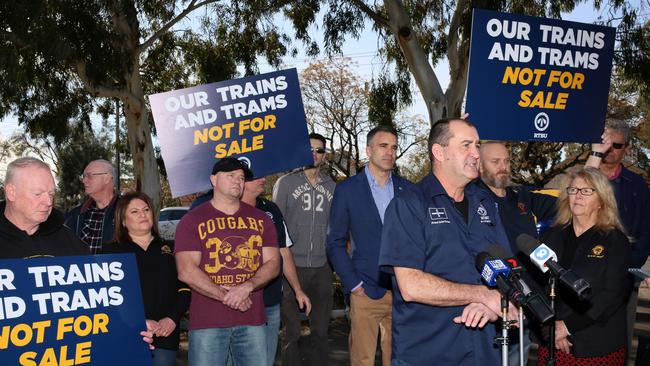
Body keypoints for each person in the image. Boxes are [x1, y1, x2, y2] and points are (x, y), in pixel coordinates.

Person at [378, 118, 517, 366]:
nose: (476, 153)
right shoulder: (409, 204)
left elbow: (507, 268)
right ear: (439, 152)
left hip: (485, 353)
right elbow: (411, 286)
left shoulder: (486, 204)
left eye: (477, 144)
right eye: (466, 145)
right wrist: (482, 295)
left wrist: (495, 303)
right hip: (429, 353)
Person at [0, 157, 154, 346]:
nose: (48, 202)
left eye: (51, 193)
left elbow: (98, 303)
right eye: (38, 193)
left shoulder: (72, 243)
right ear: (11, 192)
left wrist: (131, 331)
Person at [175, 157, 281, 366]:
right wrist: (229, 295)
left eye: (241, 177)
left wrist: (247, 286)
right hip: (208, 322)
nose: (237, 181)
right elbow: (186, 271)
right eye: (230, 176)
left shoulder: (261, 219)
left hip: (252, 319)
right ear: (213, 180)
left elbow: (273, 264)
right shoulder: (193, 219)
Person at [326, 126, 413, 366]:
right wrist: (354, 284)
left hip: (403, 291)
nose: (390, 152)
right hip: (365, 290)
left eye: (394, 147)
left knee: (398, 360)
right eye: (383, 146)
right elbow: (334, 242)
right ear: (368, 150)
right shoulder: (347, 190)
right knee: (362, 360)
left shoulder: (409, 190)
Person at [536, 167, 632, 365]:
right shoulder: (551, 235)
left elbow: (611, 295)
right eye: (573, 190)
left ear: (601, 201)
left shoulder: (615, 241)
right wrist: (552, 327)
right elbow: (536, 285)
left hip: (596, 345)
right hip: (553, 340)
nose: (577, 196)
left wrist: (567, 327)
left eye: (586, 191)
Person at [478, 141, 557, 364]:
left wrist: (596, 155)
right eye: (495, 162)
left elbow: (579, 199)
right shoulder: (470, 198)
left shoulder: (522, 195)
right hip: (487, 303)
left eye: (506, 161)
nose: (503, 167)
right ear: (479, 166)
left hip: (524, 304)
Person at [585, 119, 650, 365]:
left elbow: (646, 230)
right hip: (584, 272)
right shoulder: (584, 178)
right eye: (606, 145)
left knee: (617, 334)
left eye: (617, 146)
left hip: (624, 276)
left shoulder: (637, 186)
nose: (610, 151)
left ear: (627, 148)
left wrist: (628, 267)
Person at [102, 192, 191, 366]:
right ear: (123, 220)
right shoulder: (110, 252)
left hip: (164, 334)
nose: (143, 214)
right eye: (134, 211)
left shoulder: (171, 248)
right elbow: (107, 296)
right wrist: (138, 321)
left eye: (146, 209)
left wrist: (172, 319)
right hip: (126, 334)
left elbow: (185, 289)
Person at [272, 132, 336, 366]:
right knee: (292, 332)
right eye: (309, 149)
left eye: (319, 150)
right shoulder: (286, 183)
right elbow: (276, 228)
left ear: (324, 155)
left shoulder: (332, 186)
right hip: (292, 267)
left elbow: (335, 227)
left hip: (322, 268)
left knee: (320, 331)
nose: (314, 154)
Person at [241, 176, 311, 366]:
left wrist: (297, 289)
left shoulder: (271, 209)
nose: (263, 179)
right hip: (240, 303)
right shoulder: (228, 210)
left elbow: (284, 250)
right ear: (241, 181)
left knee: (266, 359)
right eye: (256, 177)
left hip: (270, 302)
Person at [65, 159, 119, 253]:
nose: (84, 181)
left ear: (107, 178)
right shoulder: (75, 215)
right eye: (84, 176)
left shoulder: (127, 211)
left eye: (89, 176)